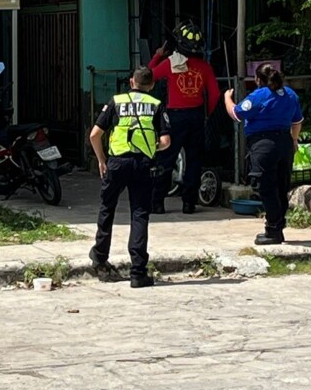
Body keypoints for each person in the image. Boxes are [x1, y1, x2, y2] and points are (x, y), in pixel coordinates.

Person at [89, 65, 171, 288]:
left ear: (131, 82)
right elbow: (166, 142)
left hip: (116, 163)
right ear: (152, 85)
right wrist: (148, 147)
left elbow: (94, 135)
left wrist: (101, 160)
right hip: (143, 165)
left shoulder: (116, 101)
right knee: (140, 213)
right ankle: (138, 272)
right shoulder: (156, 105)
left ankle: (100, 256)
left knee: (107, 208)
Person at [224, 63, 304, 246]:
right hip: (284, 142)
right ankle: (277, 226)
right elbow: (297, 121)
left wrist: (227, 98)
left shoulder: (259, 95)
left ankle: (273, 229)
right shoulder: (291, 94)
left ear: (258, 79)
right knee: (281, 186)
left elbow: (236, 114)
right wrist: (294, 140)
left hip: (263, 144)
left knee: (266, 186)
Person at [148, 22, 221, 215]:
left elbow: (148, 76)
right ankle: (189, 203)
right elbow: (214, 95)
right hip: (196, 116)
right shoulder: (204, 67)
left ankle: (157, 203)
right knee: (195, 160)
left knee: (166, 159)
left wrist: (157, 56)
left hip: (175, 117)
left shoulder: (171, 63)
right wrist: (206, 114)